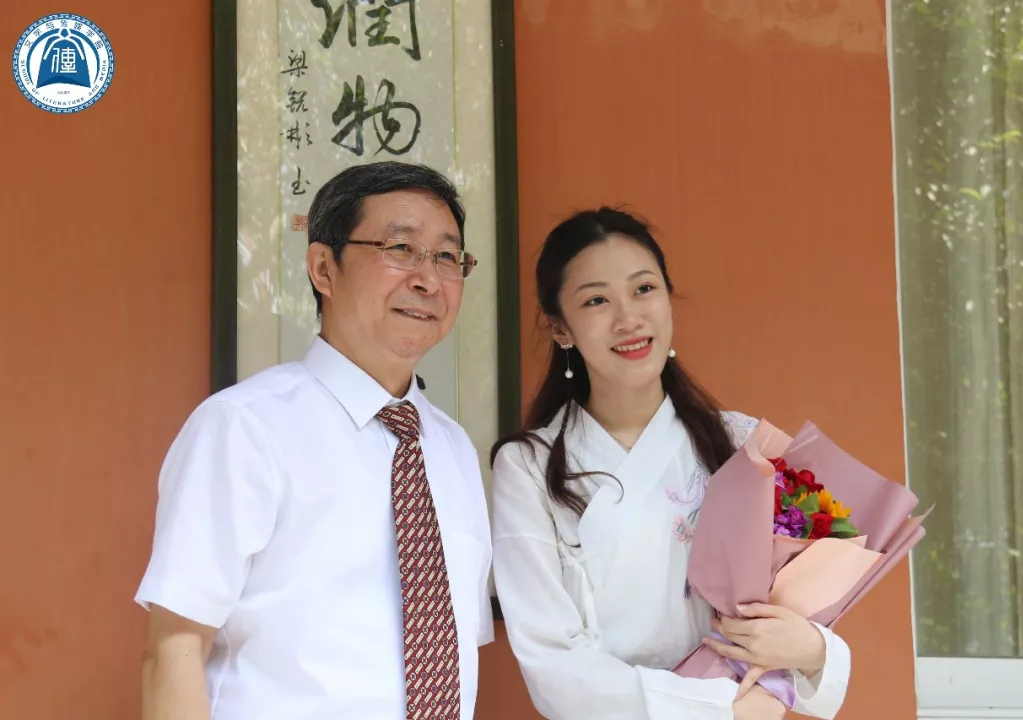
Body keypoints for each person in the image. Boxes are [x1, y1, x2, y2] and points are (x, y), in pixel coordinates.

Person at [136, 161, 494, 720]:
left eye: (447, 257)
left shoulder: (452, 449)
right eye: (401, 248)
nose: (428, 278)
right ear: (323, 268)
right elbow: (174, 647)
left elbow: (457, 650)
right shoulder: (245, 428)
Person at [489, 207, 851, 720]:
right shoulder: (529, 467)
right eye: (596, 300)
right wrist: (719, 710)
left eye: (644, 289)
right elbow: (551, 663)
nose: (628, 318)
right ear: (560, 327)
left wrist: (813, 649)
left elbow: (801, 622)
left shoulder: (741, 443)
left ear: (667, 296)